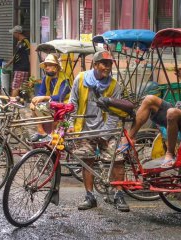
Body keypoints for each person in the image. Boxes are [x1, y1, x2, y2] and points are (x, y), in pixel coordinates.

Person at [68, 50, 130, 212]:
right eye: (104, 64)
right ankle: (90, 196)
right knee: (86, 161)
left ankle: (119, 194)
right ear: (95, 65)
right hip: (85, 129)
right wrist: (70, 123)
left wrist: (104, 135)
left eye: (109, 64)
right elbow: (72, 103)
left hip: (107, 129)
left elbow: (114, 114)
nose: (107, 67)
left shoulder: (114, 85)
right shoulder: (80, 79)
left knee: (117, 160)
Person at [29, 54, 71, 142]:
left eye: (50, 65)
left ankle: (53, 133)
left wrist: (44, 97)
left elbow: (60, 97)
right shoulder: (46, 78)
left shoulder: (65, 79)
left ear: (56, 67)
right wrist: (36, 99)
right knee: (35, 106)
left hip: (64, 104)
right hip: (51, 103)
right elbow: (41, 92)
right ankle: (41, 132)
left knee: (55, 109)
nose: (47, 68)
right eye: (46, 65)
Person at [4, 25, 30, 97]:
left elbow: (29, 55)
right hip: (19, 68)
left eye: (14, 33)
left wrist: (30, 68)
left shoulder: (25, 41)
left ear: (17, 33)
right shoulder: (19, 42)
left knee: (15, 87)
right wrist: (8, 64)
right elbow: (16, 55)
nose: (13, 35)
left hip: (21, 68)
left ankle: (12, 103)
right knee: (21, 88)